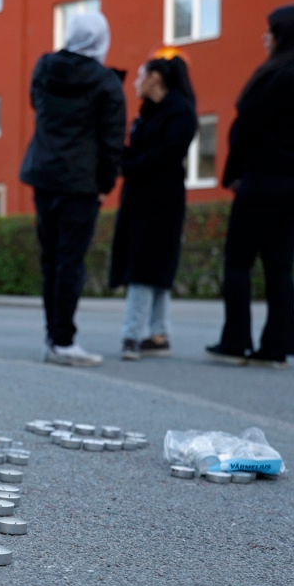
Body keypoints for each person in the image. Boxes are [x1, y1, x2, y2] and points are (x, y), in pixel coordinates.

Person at [206, 4, 294, 368]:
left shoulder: (276, 75)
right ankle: (276, 347)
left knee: (238, 261)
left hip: (266, 179)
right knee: (279, 265)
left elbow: (244, 129)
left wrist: (231, 175)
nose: (264, 37)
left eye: (270, 31)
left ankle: (235, 342)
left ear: (284, 36)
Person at [20, 12, 126, 366]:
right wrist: (105, 184)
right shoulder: (106, 83)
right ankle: (63, 340)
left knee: (51, 259)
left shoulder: (45, 68)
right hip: (80, 183)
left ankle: (54, 335)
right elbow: (113, 140)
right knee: (70, 261)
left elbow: (37, 105)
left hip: (44, 175)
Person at [110, 53, 198, 361]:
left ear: (155, 78)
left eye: (139, 75)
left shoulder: (180, 113)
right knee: (152, 265)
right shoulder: (149, 114)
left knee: (146, 267)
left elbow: (166, 154)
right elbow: (139, 152)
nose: (135, 82)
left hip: (162, 200)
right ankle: (158, 335)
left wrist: (128, 164)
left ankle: (131, 336)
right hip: (142, 198)